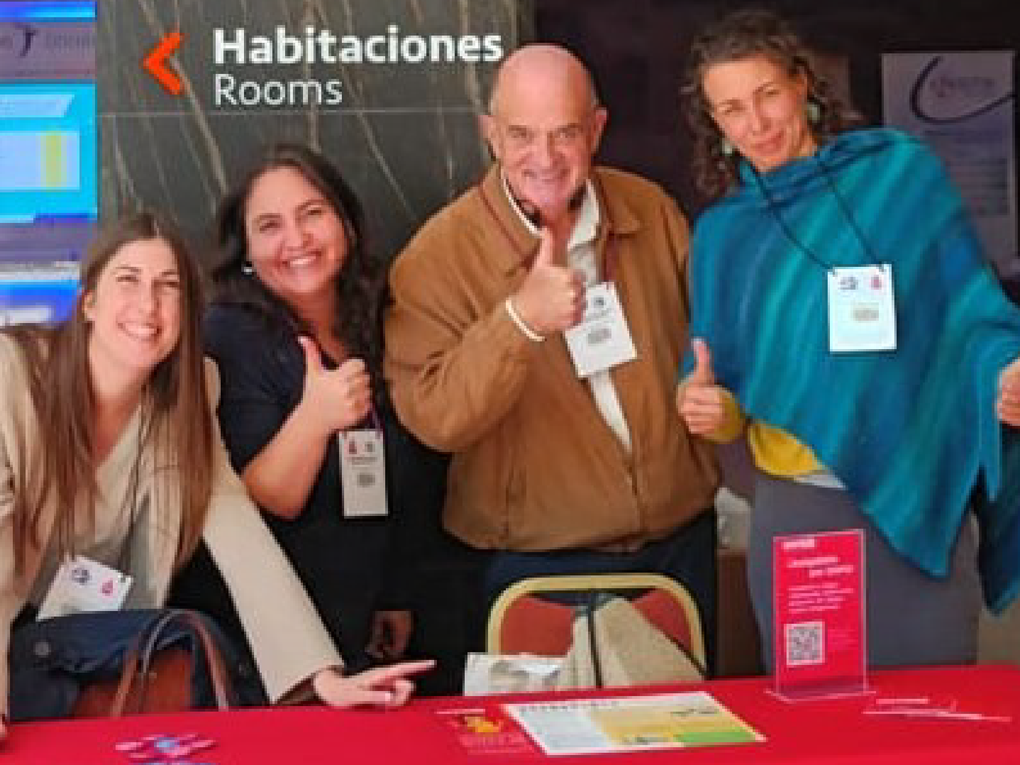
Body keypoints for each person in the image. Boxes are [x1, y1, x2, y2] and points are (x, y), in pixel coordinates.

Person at [0, 212, 433, 740]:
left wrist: (323, 677)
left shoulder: (191, 390)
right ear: (89, 300)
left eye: (169, 287)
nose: (148, 306)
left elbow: (237, 529)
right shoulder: (13, 376)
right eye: (128, 280)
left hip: (84, 653)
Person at [676, 8, 1020, 670]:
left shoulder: (899, 177)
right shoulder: (724, 237)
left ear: (804, 83)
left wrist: (1006, 370)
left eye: (768, 94)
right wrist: (712, 411)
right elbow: (716, 392)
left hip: (919, 488)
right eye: (732, 108)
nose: (757, 123)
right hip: (799, 510)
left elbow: (972, 313)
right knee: (821, 720)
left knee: (936, 712)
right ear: (714, 125)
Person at [384, 43, 721, 666]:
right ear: (490, 135)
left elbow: (713, 342)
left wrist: (718, 393)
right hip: (534, 569)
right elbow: (432, 418)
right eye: (521, 135)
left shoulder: (651, 211)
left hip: (676, 551)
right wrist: (518, 322)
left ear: (596, 130)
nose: (543, 158)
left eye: (564, 133)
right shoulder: (438, 256)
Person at [205, 143, 445, 669]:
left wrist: (392, 593)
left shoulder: (384, 318)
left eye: (312, 214)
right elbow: (268, 496)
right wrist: (315, 419)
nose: (296, 240)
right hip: (267, 641)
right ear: (245, 248)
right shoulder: (229, 336)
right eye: (269, 226)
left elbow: (409, 475)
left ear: (346, 224)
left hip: (360, 620)